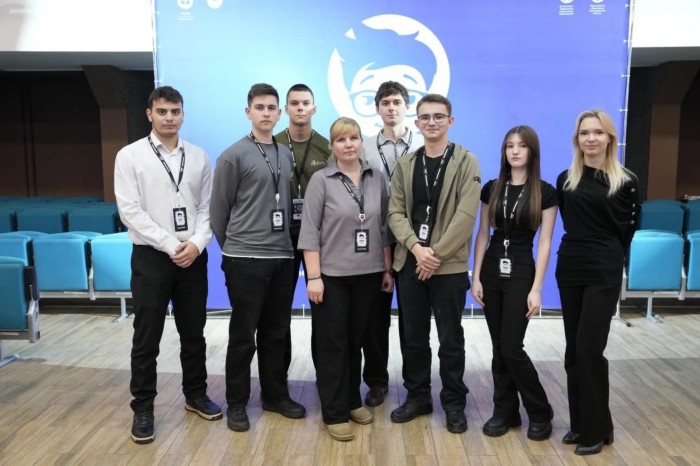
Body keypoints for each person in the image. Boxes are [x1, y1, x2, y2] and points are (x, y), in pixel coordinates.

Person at [114, 85, 221, 445]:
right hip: (152, 258)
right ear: (149, 114)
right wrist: (172, 244)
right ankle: (143, 407)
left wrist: (196, 243)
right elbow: (130, 212)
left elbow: (207, 208)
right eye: (162, 112)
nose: (169, 118)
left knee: (194, 334)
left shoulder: (198, 156)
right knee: (147, 339)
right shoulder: (130, 156)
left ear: (183, 114)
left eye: (175, 112)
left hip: (192, 257)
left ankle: (195, 394)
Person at [210, 83, 306, 433]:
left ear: (279, 113)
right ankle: (237, 402)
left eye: (271, 108)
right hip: (245, 258)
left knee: (276, 332)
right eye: (259, 107)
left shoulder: (284, 153)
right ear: (248, 112)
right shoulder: (233, 155)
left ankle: (275, 395)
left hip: (281, 256)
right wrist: (235, 248)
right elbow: (218, 211)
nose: (266, 113)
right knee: (242, 335)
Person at [388, 94, 481, 434]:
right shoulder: (406, 164)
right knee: (413, 337)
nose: (431, 122)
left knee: (450, 339)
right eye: (425, 117)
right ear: (416, 123)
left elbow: (466, 216)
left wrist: (435, 254)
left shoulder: (466, 161)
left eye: (438, 116)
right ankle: (418, 397)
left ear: (450, 121)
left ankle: (454, 403)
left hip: (448, 267)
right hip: (411, 263)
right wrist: (417, 249)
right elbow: (395, 212)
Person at [298, 117, 393, 441]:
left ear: (361, 142)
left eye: (353, 138)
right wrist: (314, 277)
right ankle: (335, 412)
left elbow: (383, 228)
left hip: (369, 274)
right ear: (333, 146)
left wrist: (387, 269)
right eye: (341, 140)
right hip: (332, 276)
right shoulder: (321, 180)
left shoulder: (376, 178)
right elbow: (309, 232)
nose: (348, 144)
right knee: (333, 344)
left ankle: (352, 400)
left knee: (356, 341)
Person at [556, 109, 639, 455]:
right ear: (577, 139)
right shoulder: (566, 179)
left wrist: (609, 257)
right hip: (571, 266)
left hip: (603, 268)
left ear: (609, 138)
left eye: (597, 132)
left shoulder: (626, 181)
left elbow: (628, 229)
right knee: (574, 351)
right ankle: (586, 424)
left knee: (590, 349)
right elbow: (570, 220)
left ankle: (594, 429)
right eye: (584, 133)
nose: (591, 138)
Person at [470, 126, 557, 441]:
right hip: (492, 270)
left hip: (521, 270)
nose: (515, 151)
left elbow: (544, 242)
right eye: (509, 146)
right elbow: (483, 234)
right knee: (499, 348)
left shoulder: (545, 192)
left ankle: (540, 411)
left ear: (532, 151)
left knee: (511, 347)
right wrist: (476, 276)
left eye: (521, 146)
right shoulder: (492, 188)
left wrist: (537, 288)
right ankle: (504, 412)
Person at [361, 80, 423, 407]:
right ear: (377, 108)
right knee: (376, 320)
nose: (391, 107)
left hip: (414, 243)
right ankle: (376, 382)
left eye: (397, 102)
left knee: (413, 321)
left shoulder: (423, 144)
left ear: (407, 106)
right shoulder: (364, 147)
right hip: (375, 242)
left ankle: (415, 386)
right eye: (385, 103)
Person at [274, 84, 330, 372]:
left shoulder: (327, 146)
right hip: (280, 239)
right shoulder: (272, 144)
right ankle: (278, 379)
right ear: (285, 109)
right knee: (279, 311)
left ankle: (325, 377)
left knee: (322, 310)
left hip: (318, 240)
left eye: (305, 103)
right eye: (294, 103)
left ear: (314, 108)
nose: (300, 108)